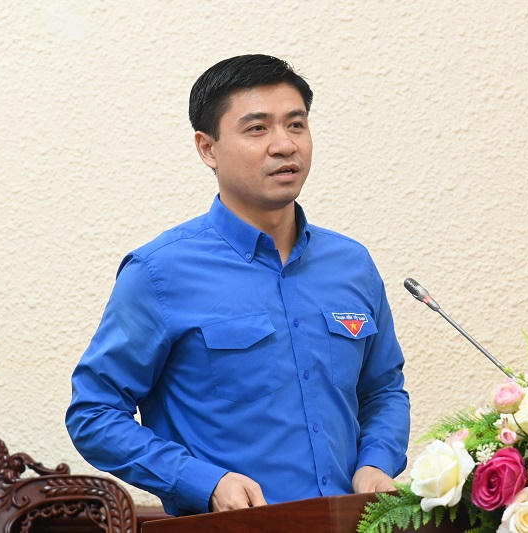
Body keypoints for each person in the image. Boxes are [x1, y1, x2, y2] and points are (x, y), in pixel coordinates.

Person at [65, 54, 410, 515]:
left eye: (296, 125)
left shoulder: (351, 263)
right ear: (208, 148)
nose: (284, 145)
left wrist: (376, 461)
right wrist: (203, 481)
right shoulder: (159, 272)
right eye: (257, 129)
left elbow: (383, 389)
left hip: (352, 522)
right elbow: (94, 413)